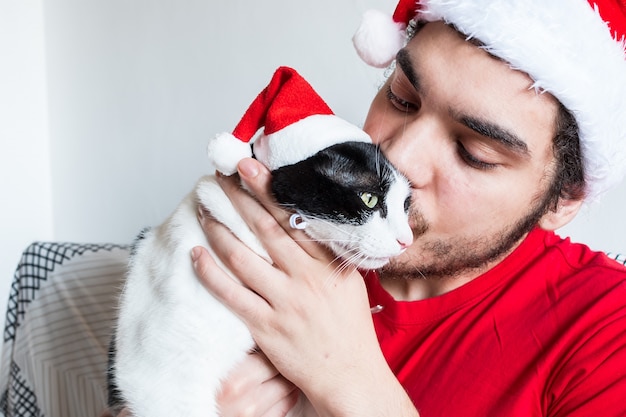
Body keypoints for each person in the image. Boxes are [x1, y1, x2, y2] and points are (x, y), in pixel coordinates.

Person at [109, 0, 626, 416]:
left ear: (563, 200)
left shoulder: (606, 334)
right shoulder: (276, 227)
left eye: (474, 153)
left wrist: (349, 379)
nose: (396, 159)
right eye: (401, 99)